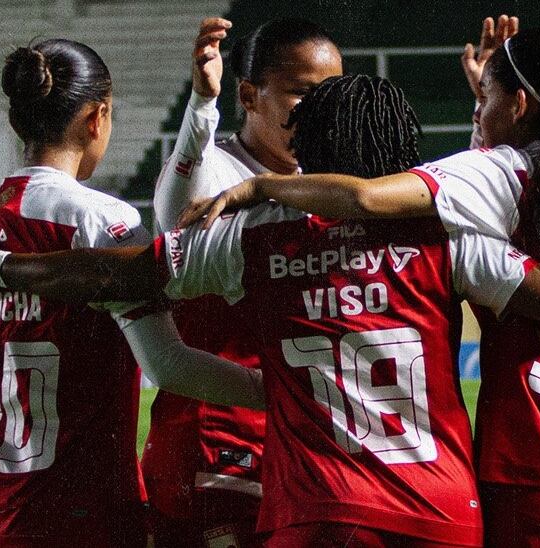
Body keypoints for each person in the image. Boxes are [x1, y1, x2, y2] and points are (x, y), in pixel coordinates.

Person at [0, 73, 540, 547]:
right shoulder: (445, 238)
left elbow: (126, 274)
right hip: (438, 512)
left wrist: (3, 268)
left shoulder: (255, 236)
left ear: (305, 155)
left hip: (312, 515)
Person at [181, 25, 540, 547]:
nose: (476, 111)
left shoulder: (495, 172)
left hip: (537, 468)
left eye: (484, 99)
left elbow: (370, 199)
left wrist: (263, 185)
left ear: (520, 105)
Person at [0, 38, 262, 548]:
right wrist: (278, 392)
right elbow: (169, 365)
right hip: (77, 512)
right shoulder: (99, 220)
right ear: (97, 118)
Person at [145, 17, 342, 547]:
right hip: (215, 434)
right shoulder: (217, 171)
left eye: (332, 94)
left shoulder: (327, 182)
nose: (320, 109)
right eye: (303, 93)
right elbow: (170, 221)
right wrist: (200, 108)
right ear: (250, 95)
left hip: (296, 437)